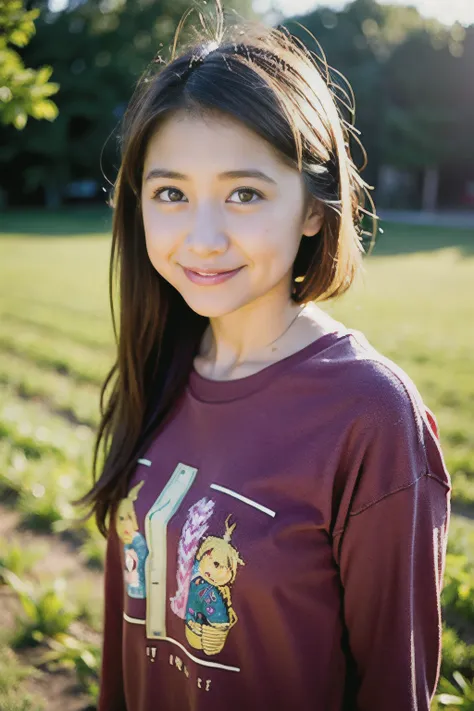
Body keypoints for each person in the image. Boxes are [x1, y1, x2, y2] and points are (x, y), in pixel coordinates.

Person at [73, 3, 451, 710]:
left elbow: (394, 690)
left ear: (313, 208)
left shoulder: (369, 414)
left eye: (244, 193)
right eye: (171, 194)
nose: (202, 237)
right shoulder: (159, 364)